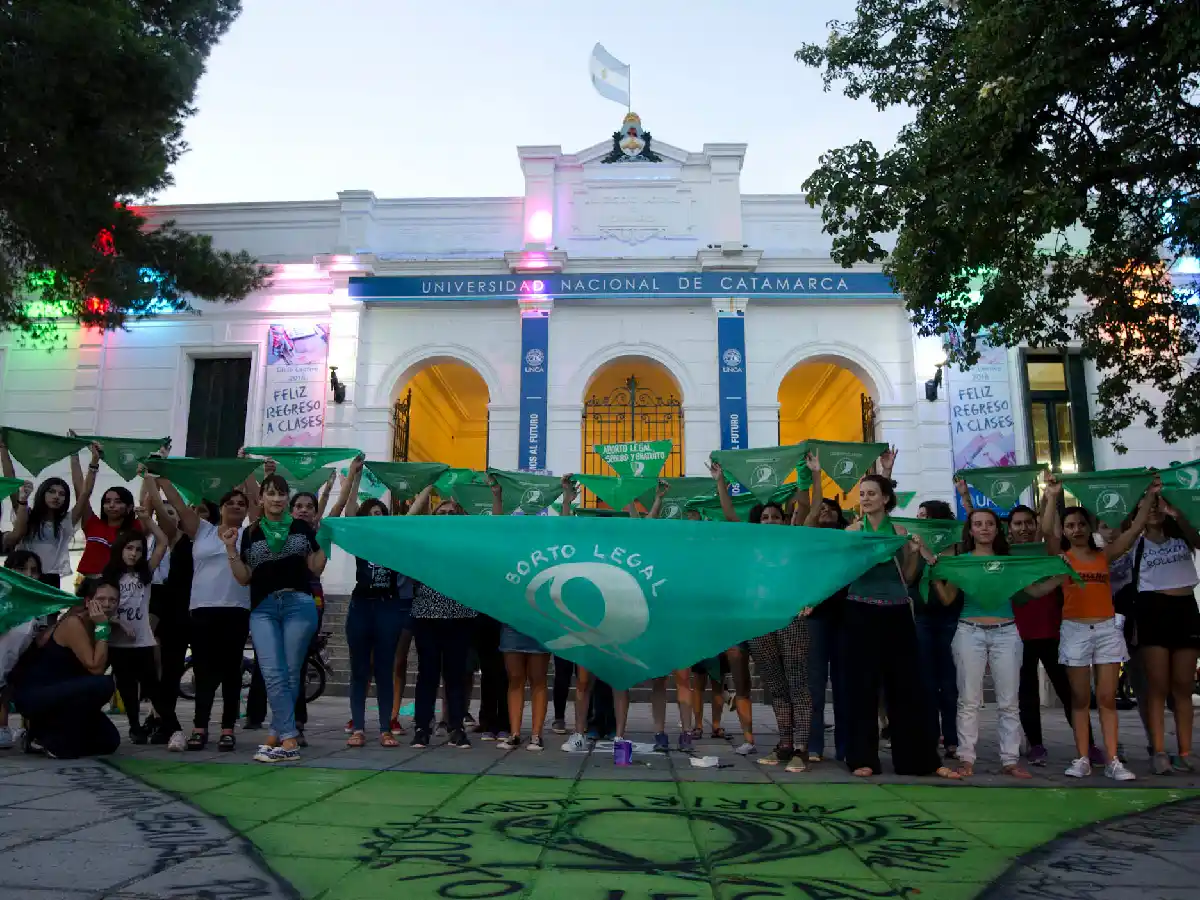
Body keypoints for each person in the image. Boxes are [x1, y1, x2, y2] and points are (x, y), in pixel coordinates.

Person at [841, 474, 959, 779]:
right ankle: (862, 757)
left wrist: (914, 553)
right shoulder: (852, 532)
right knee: (863, 687)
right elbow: (845, 573)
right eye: (862, 493)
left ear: (885, 499)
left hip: (896, 613)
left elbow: (906, 578)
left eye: (871, 493)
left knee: (907, 688)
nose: (865, 498)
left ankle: (917, 760)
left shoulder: (901, 532)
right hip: (861, 611)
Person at [933, 508, 1065, 778]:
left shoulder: (1009, 562)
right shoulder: (963, 562)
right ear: (970, 531)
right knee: (968, 699)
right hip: (969, 631)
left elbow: (1032, 591)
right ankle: (966, 758)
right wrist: (936, 574)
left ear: (997, 529)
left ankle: (1010, 759)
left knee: (1009, 701)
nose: (984, 528)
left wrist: (1062, 575)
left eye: (989, 524)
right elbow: (947, 599)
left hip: (1006, 631)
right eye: (978, 524)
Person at [1040, 474, 1156, 780]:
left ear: (1090, 527)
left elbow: (1133, 532)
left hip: (1106, 630)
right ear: (1065, 531)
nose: (1076, 529)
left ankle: (1113, 759)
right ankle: (1082, 758)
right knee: (1080, 699)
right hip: (1074, 631)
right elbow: (1046, 532)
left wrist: (1148, 497)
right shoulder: (1061, 559)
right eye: (1070, 526)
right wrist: (1052, 495)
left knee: (1106, 698)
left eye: (1081, 524)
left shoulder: (1104, 555)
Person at [711, 458, 814, 772]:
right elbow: (729, 515)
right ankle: (783, 745)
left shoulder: (793, 541)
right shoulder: (751, 544)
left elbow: (811, 506)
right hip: (760, 620)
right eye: (765, 517)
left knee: (797, 682)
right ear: (758, 523)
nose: (770, 521)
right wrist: (719, 480)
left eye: (775, 516)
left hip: (791, 618)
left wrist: (808, 476)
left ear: (784, 521)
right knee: (776, 685)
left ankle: (801, 748)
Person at [220, 473, 325, 763]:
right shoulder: (250, 533)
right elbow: (244, 578)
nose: (277, 499)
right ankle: (287, 737)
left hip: (298, 604)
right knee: (271, 672)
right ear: (260, 499)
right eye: (271, 493)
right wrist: (230, 549)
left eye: (281, 494)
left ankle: (277, 736)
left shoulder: (302, 527)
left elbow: (315, 568)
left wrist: (325, 541)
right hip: (263, 608)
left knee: (290, 673)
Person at [157, 478, 252, 753]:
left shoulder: (249, 535)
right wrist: (161, 476)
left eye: (241, 504)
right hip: (201, 609)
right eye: (230, 503)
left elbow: (260, 503)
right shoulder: (204, 531)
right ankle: (199, 728)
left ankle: (227, 729)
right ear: (220, 508)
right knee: (203, 671)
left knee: (232, 672)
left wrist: (247, 474)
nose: (236, 506)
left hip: (236, 609)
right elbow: (175, 503)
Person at [1009, 501, 1101, 768]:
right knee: (1027, 694)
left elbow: (1050, 530)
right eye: (1018, 524)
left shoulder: (1051, 551)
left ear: (1036, 525)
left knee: (1070, 693)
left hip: (1054, 632)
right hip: (1018, 634)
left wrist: (1050, 498)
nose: (1024, 528)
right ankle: (1036, 745)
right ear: (1010, 529)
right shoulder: (1005, 553)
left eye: (1029, 522)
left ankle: (1089, 745)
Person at [1129, 492, 1200, 775]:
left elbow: (1197, 540)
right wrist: (1145, 500)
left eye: (1158, 505)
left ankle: (1185, 751)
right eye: (1148, 506)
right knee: (1157, 686)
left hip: (1185, 608)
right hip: (1152, 609)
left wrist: (1176, 511)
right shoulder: (1135, 541)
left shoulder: (1181, 536)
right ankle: (1158, 750)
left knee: (1183, 685)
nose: (1154, 510)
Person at [12, 575, 121, 759]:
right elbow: (96, 668)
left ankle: (46, 736)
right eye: (101, 599)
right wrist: (103, 626)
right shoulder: (74, 623)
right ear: (88, 602)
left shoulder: (99, 624)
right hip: (37, 694)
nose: (108, 604)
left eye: (113, 600)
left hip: (67, 694)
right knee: (103, 684)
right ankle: (42, 733)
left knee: (110, 741)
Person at [489, 476, 557, 752]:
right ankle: (515, 733)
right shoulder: (509, 548)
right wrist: (497, 496)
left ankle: (537, 734)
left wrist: (565, 498)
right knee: (515, 679)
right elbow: (496, 528)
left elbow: (565, 529)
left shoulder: (549, 548)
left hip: (541, 620)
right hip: (514, 619)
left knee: (538, 679)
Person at [409, 487, 478, 749]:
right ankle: (421, 728)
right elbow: (409, 522)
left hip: (460, 618)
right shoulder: (423, 541)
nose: (447, 515)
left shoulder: (467, 544)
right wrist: (425, 489)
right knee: (427, 675)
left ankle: (456, 727)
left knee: (456, 676)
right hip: (426, 616)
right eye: (442, 512)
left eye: (453, 512)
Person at [345, 498, 414, 749]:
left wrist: (428, 486)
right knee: (360, 671)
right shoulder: (360, 540)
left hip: (388, 606)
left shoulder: (393, 540)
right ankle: (359, 728)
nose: (378, 516)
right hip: (362, 606)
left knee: (385, 669)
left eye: (382, 513)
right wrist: (354, 477)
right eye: (373, 513)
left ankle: (386, 729)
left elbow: (410, 516)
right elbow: (350, 514)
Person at [101, 509, 168, 744]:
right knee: (127, 688)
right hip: (118, 642)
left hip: (143, 640)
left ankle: (168, 724)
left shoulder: (145, 573)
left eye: (139, 549)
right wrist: (117, 622)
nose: (134, 553)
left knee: (152, 685)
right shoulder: (109, 578)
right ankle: (134, 726)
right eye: (129, 548)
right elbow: (98, 611)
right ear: (120, 549)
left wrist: (148, 519)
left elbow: (162, 542)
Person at [911, 493, 965, 761]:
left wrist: (926, 552)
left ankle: (953, 739)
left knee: (949, 682)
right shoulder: (913, 547)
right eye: (918, 517)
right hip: (922, 618)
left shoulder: (953, 547)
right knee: (927, 682)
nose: (919, 522)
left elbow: (947, 580)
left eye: (924, 517)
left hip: (950, 619)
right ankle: (930, 736)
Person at [803, 488, 849, 763]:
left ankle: (845, 746)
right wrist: (816, 476)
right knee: (814, 685)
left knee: (844, 685)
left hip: (846, 616)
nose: (826, 511)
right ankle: (813, 746)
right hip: (816, 617)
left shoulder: (850, 538)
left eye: (831, 508)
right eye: (821, 508)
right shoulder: (809, 540)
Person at [2, 435, 82, 587]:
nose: (56, 496)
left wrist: (74, 454)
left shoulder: (66, 522)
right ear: (42, 492)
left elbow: (83, 494)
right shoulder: (27, 514)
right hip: (24, 576)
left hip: (50, 580)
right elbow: (12, 483)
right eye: (51, 491)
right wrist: (3, 449)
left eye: (62, 494)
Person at [0, 550, 45, 749]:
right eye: (21, 569)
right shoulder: (3, 601)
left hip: (17, 668)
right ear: (8, 572)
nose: (28, 575)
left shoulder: (41, 604)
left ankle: (28, 731)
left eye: (33, 571)